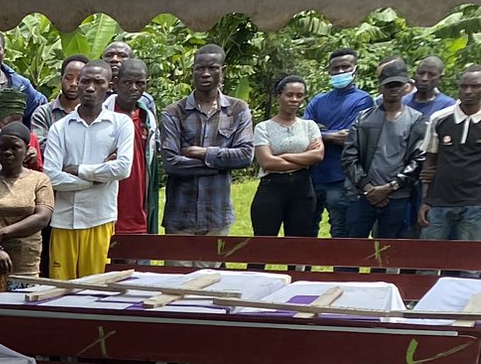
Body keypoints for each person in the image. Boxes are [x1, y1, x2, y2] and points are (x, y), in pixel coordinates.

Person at [41, 61, 132, 280]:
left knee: (96, 288)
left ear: (110, 85)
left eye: (98, 82)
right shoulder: (60, 128)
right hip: (64, 221)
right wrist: (96, 178)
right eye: (85, 81)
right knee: (60, 288)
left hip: (99, 218)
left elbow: (122, 168)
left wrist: (79, 170)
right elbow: (51, 176)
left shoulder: (120, 124)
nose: (90, 88)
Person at [158, 45, 252, 236]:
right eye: (200, 68)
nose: (206, 74)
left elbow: (245, 156)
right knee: (175, 258)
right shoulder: (174, 112)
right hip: (180, 215)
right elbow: (171, 163)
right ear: (192, 71)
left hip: (217, 215)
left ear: (223, 70)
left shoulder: (238, 110)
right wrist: (221, 165)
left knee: (215, 258)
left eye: (213, 68)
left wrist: (202, 153)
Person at [338, 63, 426, 239]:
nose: (394, 89)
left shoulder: (416, 120)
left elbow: (418, 160)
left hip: (398, 196)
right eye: (389, 85)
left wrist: (391, 187)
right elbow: (349, 157)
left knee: (388, 249)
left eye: (398, 85)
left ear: (406, 87)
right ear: (381, 87)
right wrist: (368, 187)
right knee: (352, 247)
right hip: (363, 195)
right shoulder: (363, 118)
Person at [420, 67, 481, 241]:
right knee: (428, 255)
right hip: (439, 202)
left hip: (475, 204)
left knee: (470, 256)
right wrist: (425, 200)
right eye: (464, 86)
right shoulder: (439, 118)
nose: (468, 91)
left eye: (475, 86)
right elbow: (430, 160)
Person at [0, 123, 55, 292]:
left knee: (20, 309)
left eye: (15, 147)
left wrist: (2, 233)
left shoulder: (40, 180)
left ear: (27, 149)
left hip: (24, 268)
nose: (7, 152)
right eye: (2, 148)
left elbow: (42, 218)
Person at [305, 49, 374, 235]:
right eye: (336, 68)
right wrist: (332, 135)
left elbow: (350, 137)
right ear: (329, 71)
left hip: (342, 178)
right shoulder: (318, 100)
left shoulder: (363, 100)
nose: (340, 71)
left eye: (345, 67)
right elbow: (304, 132)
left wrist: (320, 132)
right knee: (306, 230)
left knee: (340, 231)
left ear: (355, 69)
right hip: (313, 175)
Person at [249, 74, 326, 237]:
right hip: (271, 188)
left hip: (302, 188)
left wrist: (283, 156)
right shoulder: (263, 128)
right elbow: (267, 162)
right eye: (289, 95)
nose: (294, 99)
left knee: (298, 244)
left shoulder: (309, 126)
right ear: (279, 96)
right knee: (263, 242)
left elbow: (318, 156)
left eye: (299, 95)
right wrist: (305, 158)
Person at [110, 58, 162, 235]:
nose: (133, 88)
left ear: (147, 84)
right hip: (109, 205)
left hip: (138, 204)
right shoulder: (103, 114)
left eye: (139, 83)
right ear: (115, 83)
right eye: (127, 82)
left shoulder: (147, 118)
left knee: (136, 250)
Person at [33, 56, 88, 138]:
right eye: (68, 78)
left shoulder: (93, 114)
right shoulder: (43, 113)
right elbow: (41, 143)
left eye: (79, 79)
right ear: (61, 79)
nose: (73, 84)